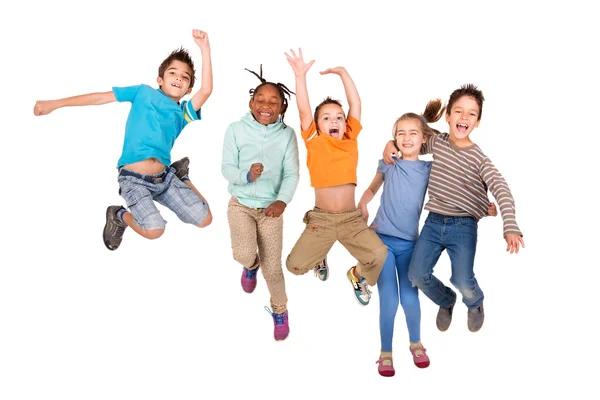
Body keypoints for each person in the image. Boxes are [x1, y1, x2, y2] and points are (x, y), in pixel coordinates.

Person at [33, 30, 214, 251]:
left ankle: (181, 177)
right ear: (160, 79)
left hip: (164, 179)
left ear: (188, 89)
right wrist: (55, 104)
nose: (178, 78)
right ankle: (118, 215)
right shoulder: (143, 92)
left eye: (185, 77)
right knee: (154, 230)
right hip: (134, 179)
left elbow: (207, 90)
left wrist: (205, 48)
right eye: (173, 73)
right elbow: (100, 97)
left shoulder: (184, 112)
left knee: (206, 219)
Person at [360, 100, 498, 376]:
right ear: (395, 137)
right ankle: (385, 352)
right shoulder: (389, 163)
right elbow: (372, 188)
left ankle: (416, 343)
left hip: (410, 243)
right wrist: (362, 204)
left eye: (413, 133)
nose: (406, 138)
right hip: (381, 241)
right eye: (400, 134)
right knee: (389, 300)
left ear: (424, 138)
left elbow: (457, 185)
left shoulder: (429, 169)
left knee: (411, 299)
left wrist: (483, 205)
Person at [381, 84, 524, 333]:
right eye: (458, 111)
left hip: (463, 226)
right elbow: (410, 143)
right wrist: (390, 143)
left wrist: (509, 224)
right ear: (448, 116)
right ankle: (446, 300)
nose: (464, 118)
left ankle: (475, 302)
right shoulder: (437, 142)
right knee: (416, 275)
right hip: (434, 222)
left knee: (462, 279)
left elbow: (501, 187)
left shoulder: (479, 158)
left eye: (471, 114)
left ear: (477, 122)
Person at [284, 48, 387, 306]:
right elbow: (305, 110)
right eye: (327, 118)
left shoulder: (350, 138)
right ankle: (320, 254)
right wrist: (299, 76)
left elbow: (356, 105)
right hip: (322, 219)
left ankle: (357, 275)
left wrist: (343, 73)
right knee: (293, 266)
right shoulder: (314, 141)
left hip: (351, 218)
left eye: (339, 118)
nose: (335, 121)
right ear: (317, 125)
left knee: (378, 253)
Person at [219, 65, 300, 341]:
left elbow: (292, 173)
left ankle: (280, 310)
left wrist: (282, 201)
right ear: (251, 103)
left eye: (273, 102)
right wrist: (246, 175)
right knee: (242, 253)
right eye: (261, 100)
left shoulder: (288, 135)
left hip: (270, 210)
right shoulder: (235, 129)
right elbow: (227, 167)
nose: (266, 106)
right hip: (241, 204)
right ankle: (249, 265)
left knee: (273, 267)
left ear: (282, 106)